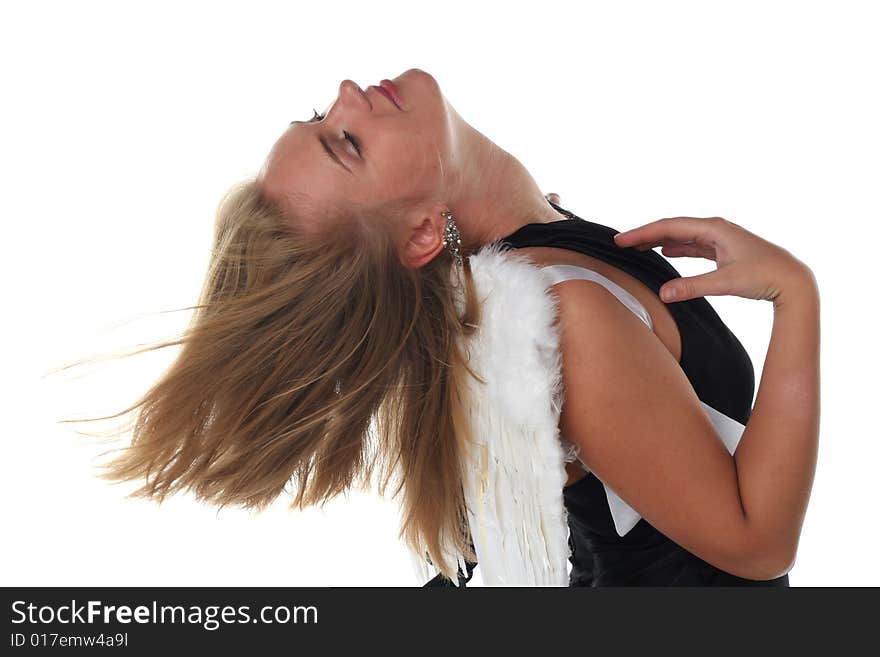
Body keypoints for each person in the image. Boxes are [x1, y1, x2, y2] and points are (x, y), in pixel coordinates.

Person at [91, 68, 820, 586]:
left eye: (321, 115)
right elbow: (756, 541)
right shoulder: (567, 317)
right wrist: (796, 292)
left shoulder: (537, 260)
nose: (348, 93)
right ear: (416, 238)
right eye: (349, 143)